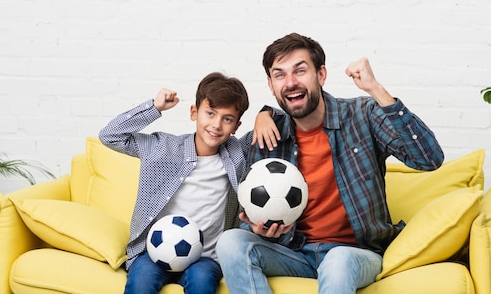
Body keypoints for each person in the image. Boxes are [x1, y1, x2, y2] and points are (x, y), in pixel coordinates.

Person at [216, 33, 444, 294]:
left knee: (337, 259)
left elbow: (429, 159)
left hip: (354, 254)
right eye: (280, 75)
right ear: (270, 84)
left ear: (321, 75)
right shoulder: (270, 134)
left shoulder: (363, 115)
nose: (290, 83)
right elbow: (252, 210)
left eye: (300, 71)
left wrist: (376, 89)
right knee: (231, 241)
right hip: (296, 253)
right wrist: (260, 228)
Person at [98, 72, 252, 294]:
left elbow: (279, 123)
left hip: (205, 257)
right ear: (194, 113)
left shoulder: (237, 153)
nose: (216, 125)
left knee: (202, 282)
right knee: (141, 282)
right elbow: (110, 136)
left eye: (227, 119)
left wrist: (265, 115)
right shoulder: (162, 148)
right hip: (154, 253)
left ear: (236, 126)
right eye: (210, 113)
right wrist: (155, 107)